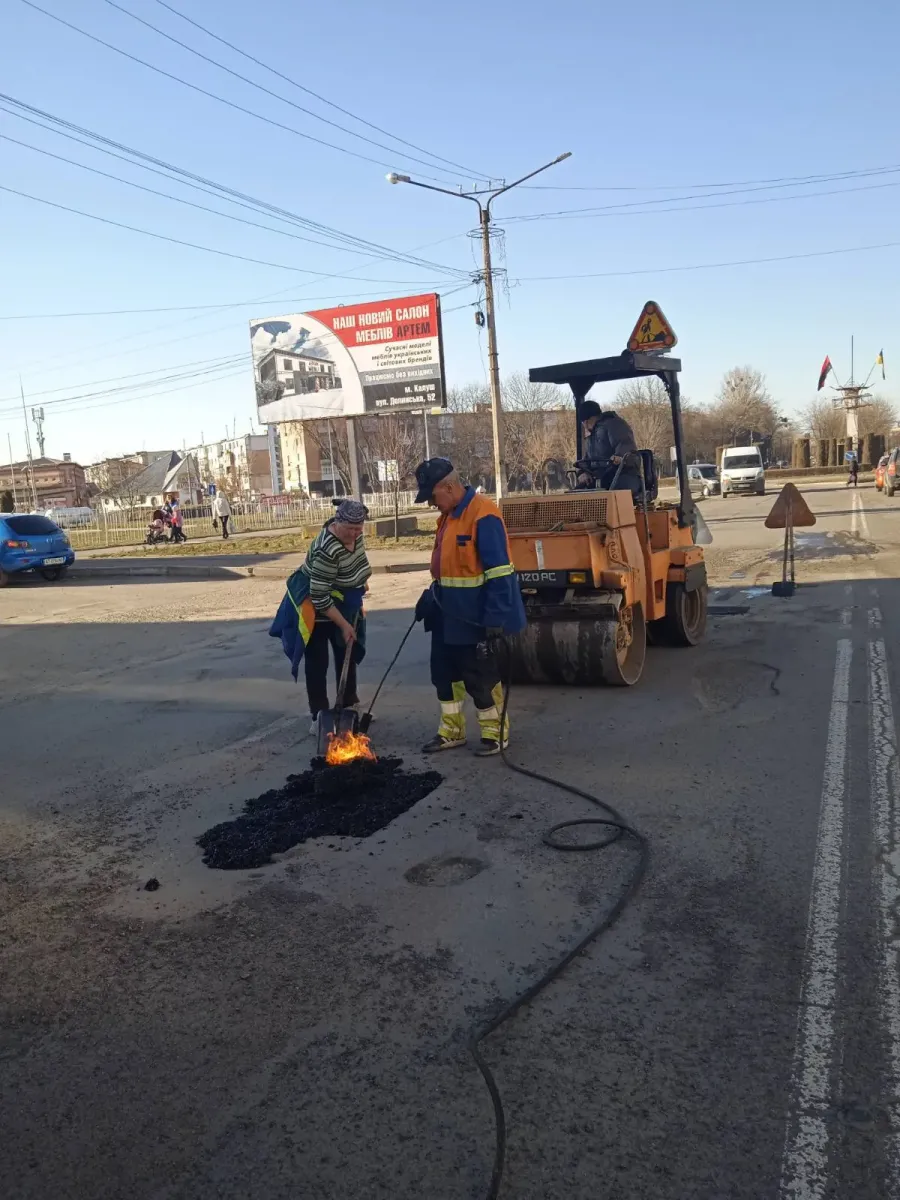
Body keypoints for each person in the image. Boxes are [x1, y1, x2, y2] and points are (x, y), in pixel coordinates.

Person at [413, 458, 526, 757]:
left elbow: (499, 572)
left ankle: (494, 734)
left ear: (449, 488)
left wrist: (494, 618)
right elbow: (448, 569)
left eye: (432, 496)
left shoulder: (483, 515)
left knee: (479, 676)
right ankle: (451, 732)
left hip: (474, 618)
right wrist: (430, 597)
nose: (430, 504)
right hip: (446, 614)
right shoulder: (448, 516)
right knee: (444, 675)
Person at [268, 499, 372, 732]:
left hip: (344, 601)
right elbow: (320, 597)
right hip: (316, 605)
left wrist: (359, 585)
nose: (355, 534)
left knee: (347, 652)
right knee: (317, 661)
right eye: (350, 529)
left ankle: (349, 705)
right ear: (338, 522)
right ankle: (319, 715)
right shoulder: (328, 547)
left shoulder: (355, 536)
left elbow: (358, 561)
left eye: (359, 529)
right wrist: (344, 625)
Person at [575, 400, 640, 493]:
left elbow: (626, 447)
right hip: (602, 478)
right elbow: (587, 460)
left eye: (584, 423)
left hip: (623, 475)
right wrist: (582, 472)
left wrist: (619, 458)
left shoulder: (615, 425)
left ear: (586, 421)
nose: (585, 426)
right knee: (576, 494)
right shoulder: (592, 437)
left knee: (612, 493)